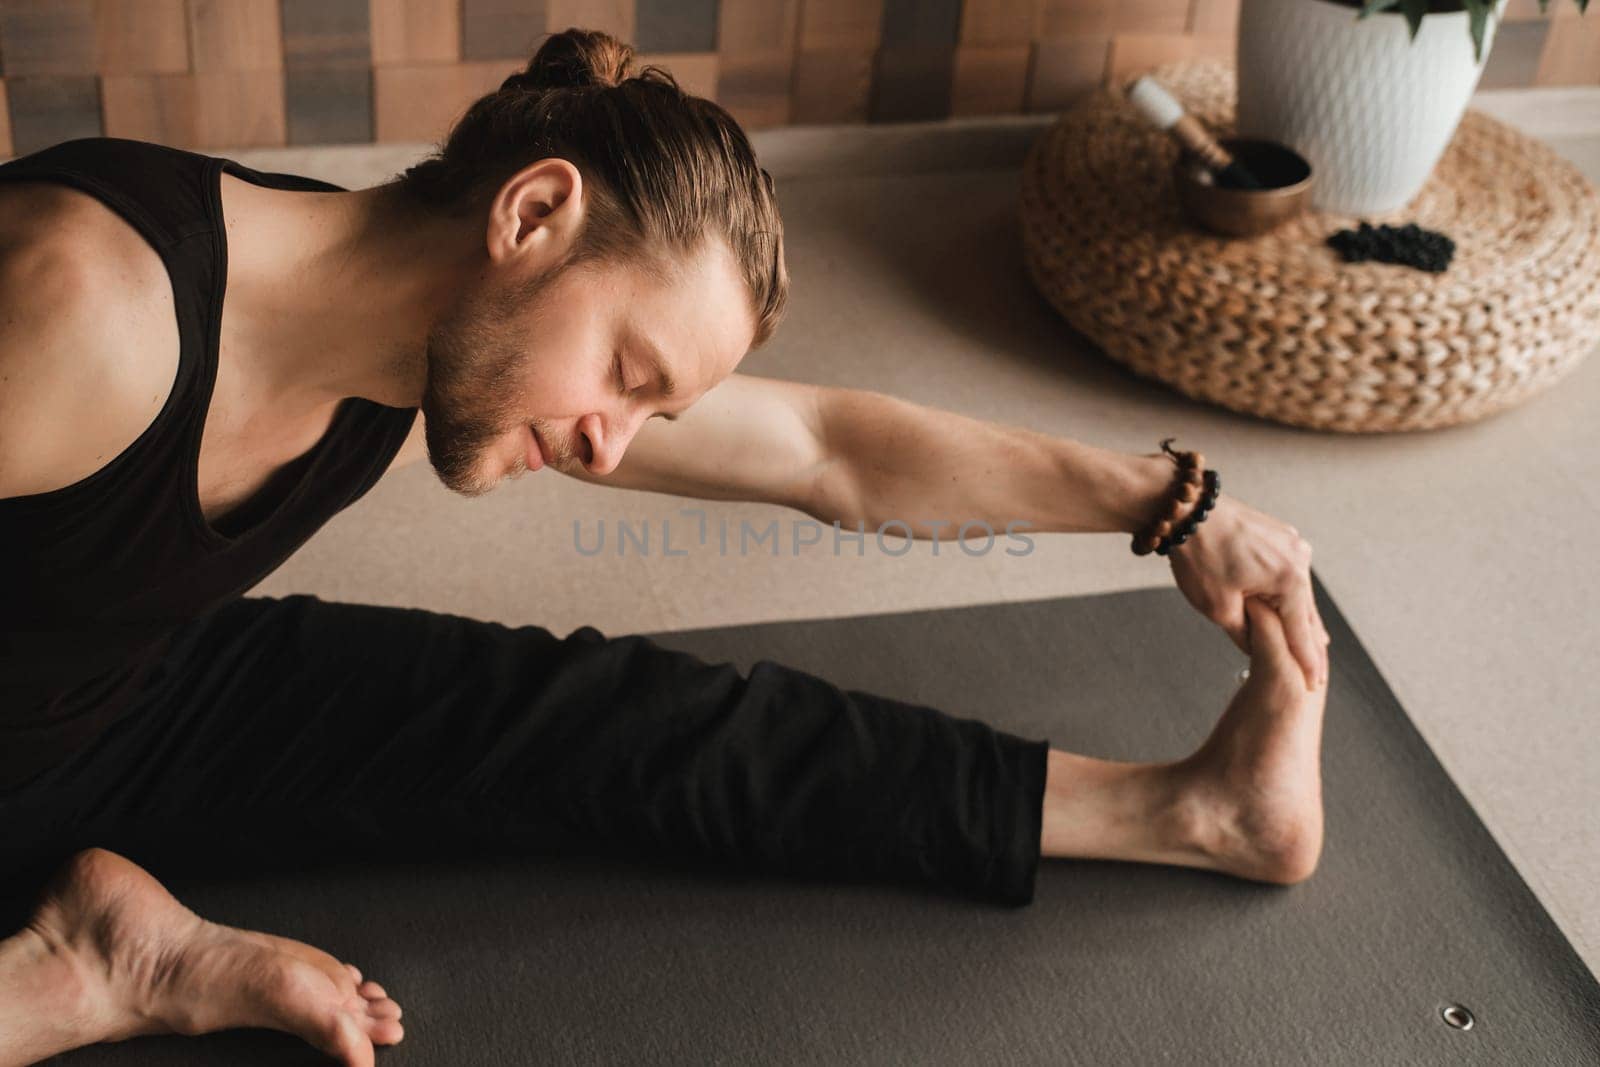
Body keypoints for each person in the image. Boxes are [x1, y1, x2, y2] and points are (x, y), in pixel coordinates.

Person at [0, 28, 1331, 1067]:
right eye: (628, 372)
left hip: (129, 692)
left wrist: (1167, 502)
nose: (610, 448)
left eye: (655, 410)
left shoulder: (406, 333)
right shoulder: (83, 311)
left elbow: (828, 454)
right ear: (531, 214)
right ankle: (70, 980)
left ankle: (1184, 813)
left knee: (600, 720)